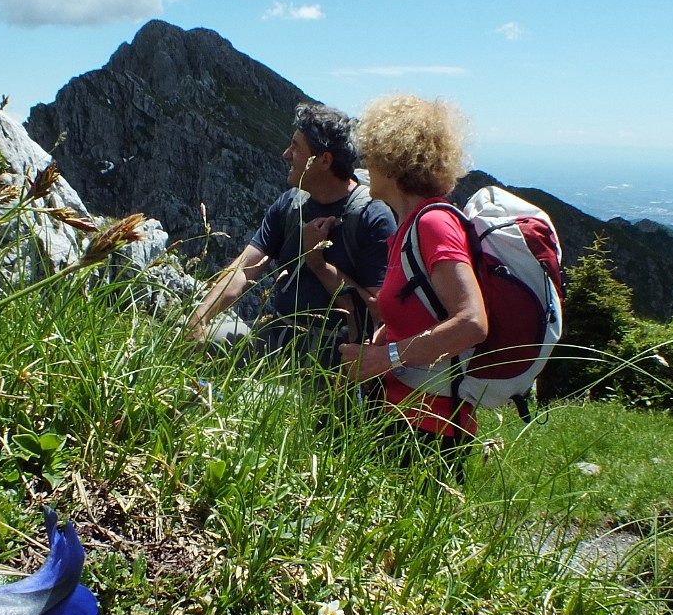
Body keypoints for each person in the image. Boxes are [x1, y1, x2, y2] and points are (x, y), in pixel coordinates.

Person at [184, 103, 396, 370]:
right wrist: (199, 317)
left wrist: (319, 264)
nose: (286, 154)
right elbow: (243, 269)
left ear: (324, 160)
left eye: (296, 147)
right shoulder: (290, 205)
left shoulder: (372, 217)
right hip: (279, 338)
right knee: (193, 343)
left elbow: (376, 314)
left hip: (335, 360)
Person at [339, 94, 488, 457]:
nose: (366, 164)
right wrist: (389, 333)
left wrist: (385, 357)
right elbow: (428, 310)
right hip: (403, 417)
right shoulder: (406, 229)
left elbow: (472, 322)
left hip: (431, 430)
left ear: (394, 160)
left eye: (372, 154)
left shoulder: (433, 224)